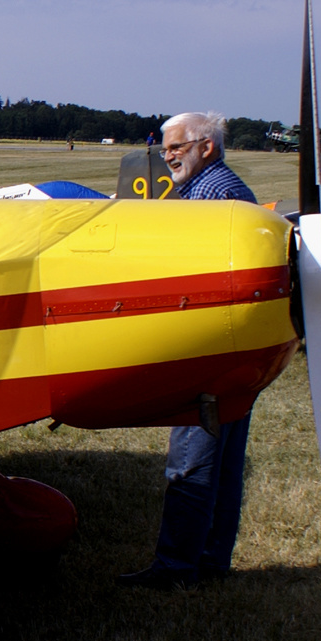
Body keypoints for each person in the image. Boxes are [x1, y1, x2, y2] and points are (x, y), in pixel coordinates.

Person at [119, 112, 259, 590]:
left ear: (208, 148)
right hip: (234, 354)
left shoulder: (215, 197)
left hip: (209, 353)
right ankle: (211, 561)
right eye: (164, 148)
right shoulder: (215, 191)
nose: (168, 155)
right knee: (222, 464)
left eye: (176, 146)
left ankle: (177, 568)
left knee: (192, 462)